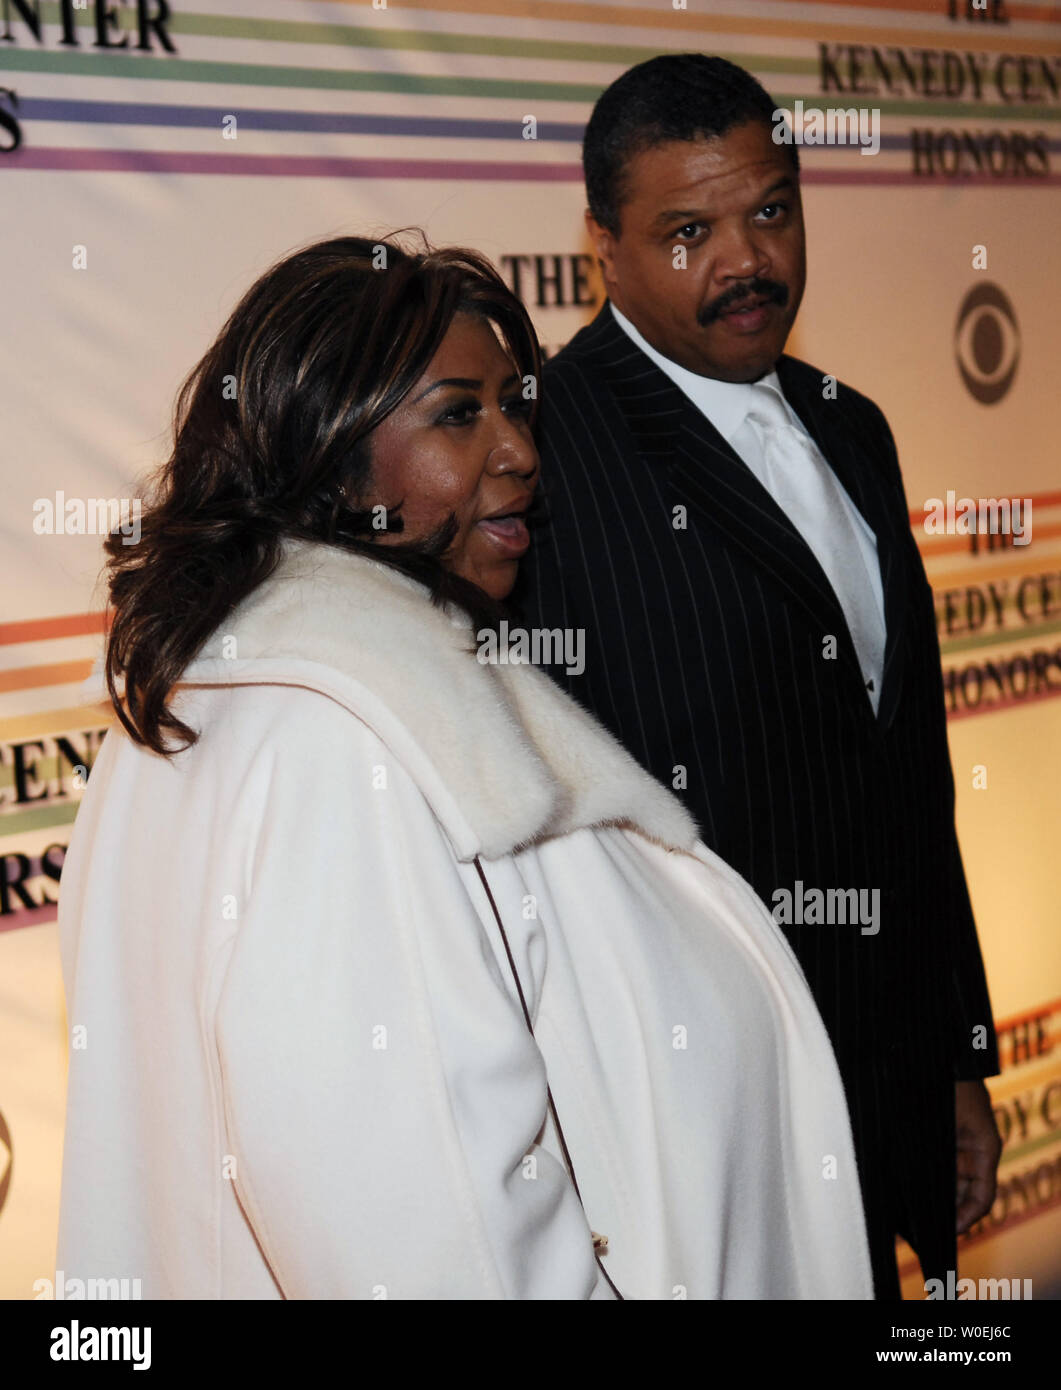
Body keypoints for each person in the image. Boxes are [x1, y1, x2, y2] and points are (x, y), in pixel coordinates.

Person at [55, 233, 873, 1299]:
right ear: (328, 456)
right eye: (457, 413)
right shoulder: (347, 742)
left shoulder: (238, 690)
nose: (522, 449)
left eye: (514, 403)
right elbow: (432, 1240)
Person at [514, 54, 1002, 1301]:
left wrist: (951, 1053)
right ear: (601, 247)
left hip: (879, 1077)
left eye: (770, 210)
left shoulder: (856, 424)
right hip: (696, 1131)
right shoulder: (538, 459)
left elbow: (907, 775)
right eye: (687, 231)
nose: (744, 260)